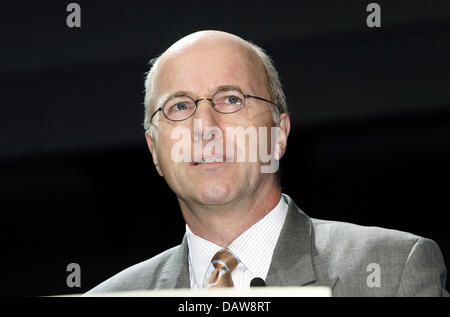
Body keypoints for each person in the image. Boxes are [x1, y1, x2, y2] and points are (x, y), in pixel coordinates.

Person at [86, 30, 448, 296]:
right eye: (180, 106)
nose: (205, 128)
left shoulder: (394, 271)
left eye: (230, 99)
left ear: (278, 134)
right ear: (154, 150)